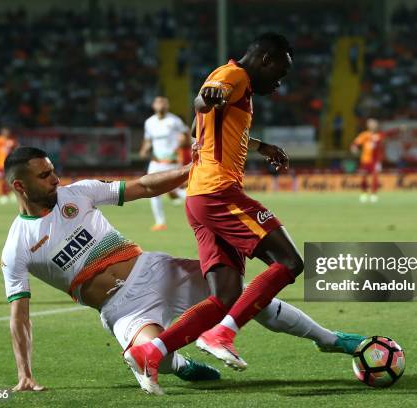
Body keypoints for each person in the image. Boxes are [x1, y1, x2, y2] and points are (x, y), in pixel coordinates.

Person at [2, 147, 366, 395]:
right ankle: (180, 364)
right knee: (138, 356)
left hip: (156, 270)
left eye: (52, 171)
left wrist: (192, 171)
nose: (55, 179)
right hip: (122, 309)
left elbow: (144, 186)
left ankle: (329, 338)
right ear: (20, 185)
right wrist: (25, 373)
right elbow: (20, 315)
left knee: (243, 298)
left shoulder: (78, 194)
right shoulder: (17, 246)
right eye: (44, 175)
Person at [123, 32, 312, 390]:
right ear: (266, 60)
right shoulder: (234, 76)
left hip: (199, 197)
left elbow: (200, 128)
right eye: (281, 73)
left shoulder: (232, 81)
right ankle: (221, 335)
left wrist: (261, 146)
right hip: (218, 193)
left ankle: (152, 351)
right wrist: (207, 97)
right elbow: (204, 102)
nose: (280, 82)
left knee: (225, 295)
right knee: (289, 263)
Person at [139, 96, 190, 231]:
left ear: (167, 106)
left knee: (176, 191)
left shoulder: (174, 121)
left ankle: (199, 199)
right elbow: (148, 140)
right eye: (158, 102)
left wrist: (181, 142)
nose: (161, 105)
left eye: (163, 103)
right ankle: (160, 222)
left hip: (172, 161)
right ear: (153, 106)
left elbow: (186, 136)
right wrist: (144, 150)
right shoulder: (149, 122)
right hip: (155, 161)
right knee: (151, 189)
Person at [351, 118, 384, 203]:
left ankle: (373, 195)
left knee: (375, 177)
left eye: (374, 124)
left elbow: (389, 134)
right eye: (371, 124)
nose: (373, 125)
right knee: (364, 177)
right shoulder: (364, 135)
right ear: (368, 125)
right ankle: (364, 194)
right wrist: (354, 148)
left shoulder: (379, 135)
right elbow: (355, 143)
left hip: (375, 161)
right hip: (365, 160)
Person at [0, 126, 19, 204]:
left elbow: (17, 151)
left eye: (8, 130)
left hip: (10, 164)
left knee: (12, 180)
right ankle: (4, 195)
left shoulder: (12, 140)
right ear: (2, 131)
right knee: (2, 180)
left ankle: (13, 194)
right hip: (0, 164)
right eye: (5, 130)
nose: (6, 132)